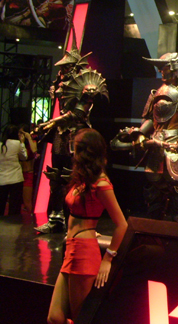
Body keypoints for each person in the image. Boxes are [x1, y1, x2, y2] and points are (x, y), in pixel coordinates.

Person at [111, 53, 178, 223]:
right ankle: (154, 227)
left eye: (165, 67)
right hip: (155, 145)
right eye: (161, 68)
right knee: (154, 189)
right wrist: (140, 133)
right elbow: (149, 118)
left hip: (175, 145)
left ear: (175, 68)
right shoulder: (157, 93)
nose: (162, 71)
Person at [47, 128, 127, 324]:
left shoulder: (101, 184)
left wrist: (108, 258)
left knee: (80, 318)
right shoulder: (84, 179)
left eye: (75, 147)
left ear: (86, 151)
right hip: (71, 248)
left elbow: (122, 225)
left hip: (83, 253)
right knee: (55, 318)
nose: (72, 152)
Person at [35, 48, 109, 233]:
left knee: (77, 176)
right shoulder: (61, 83)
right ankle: (56, 218)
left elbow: (78, 113)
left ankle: (77, 220)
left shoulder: (87, 86)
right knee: (56, 176)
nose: (62, 71)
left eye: (66, 67)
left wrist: (52, 122)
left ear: (75, 67)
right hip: (61, 133)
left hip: (78, 135)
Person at [0, 124, 28, 215]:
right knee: (14, 207)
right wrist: (22, 143)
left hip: (1, 178)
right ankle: (14, 222)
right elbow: (24, 157)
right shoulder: (17, 143)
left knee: (1, 204)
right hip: (16, 178)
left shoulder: (0, 144)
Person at [18, 124, 38, 213]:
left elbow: (34, 150)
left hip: (28, 174)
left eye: (22, 133)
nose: (20, 135)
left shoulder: (32, 142)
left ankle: (31, 218)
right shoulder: (17, 144)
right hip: (18, 174)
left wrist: (28, 137)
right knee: (17, 202)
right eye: (19, 133)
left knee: (27, 202)